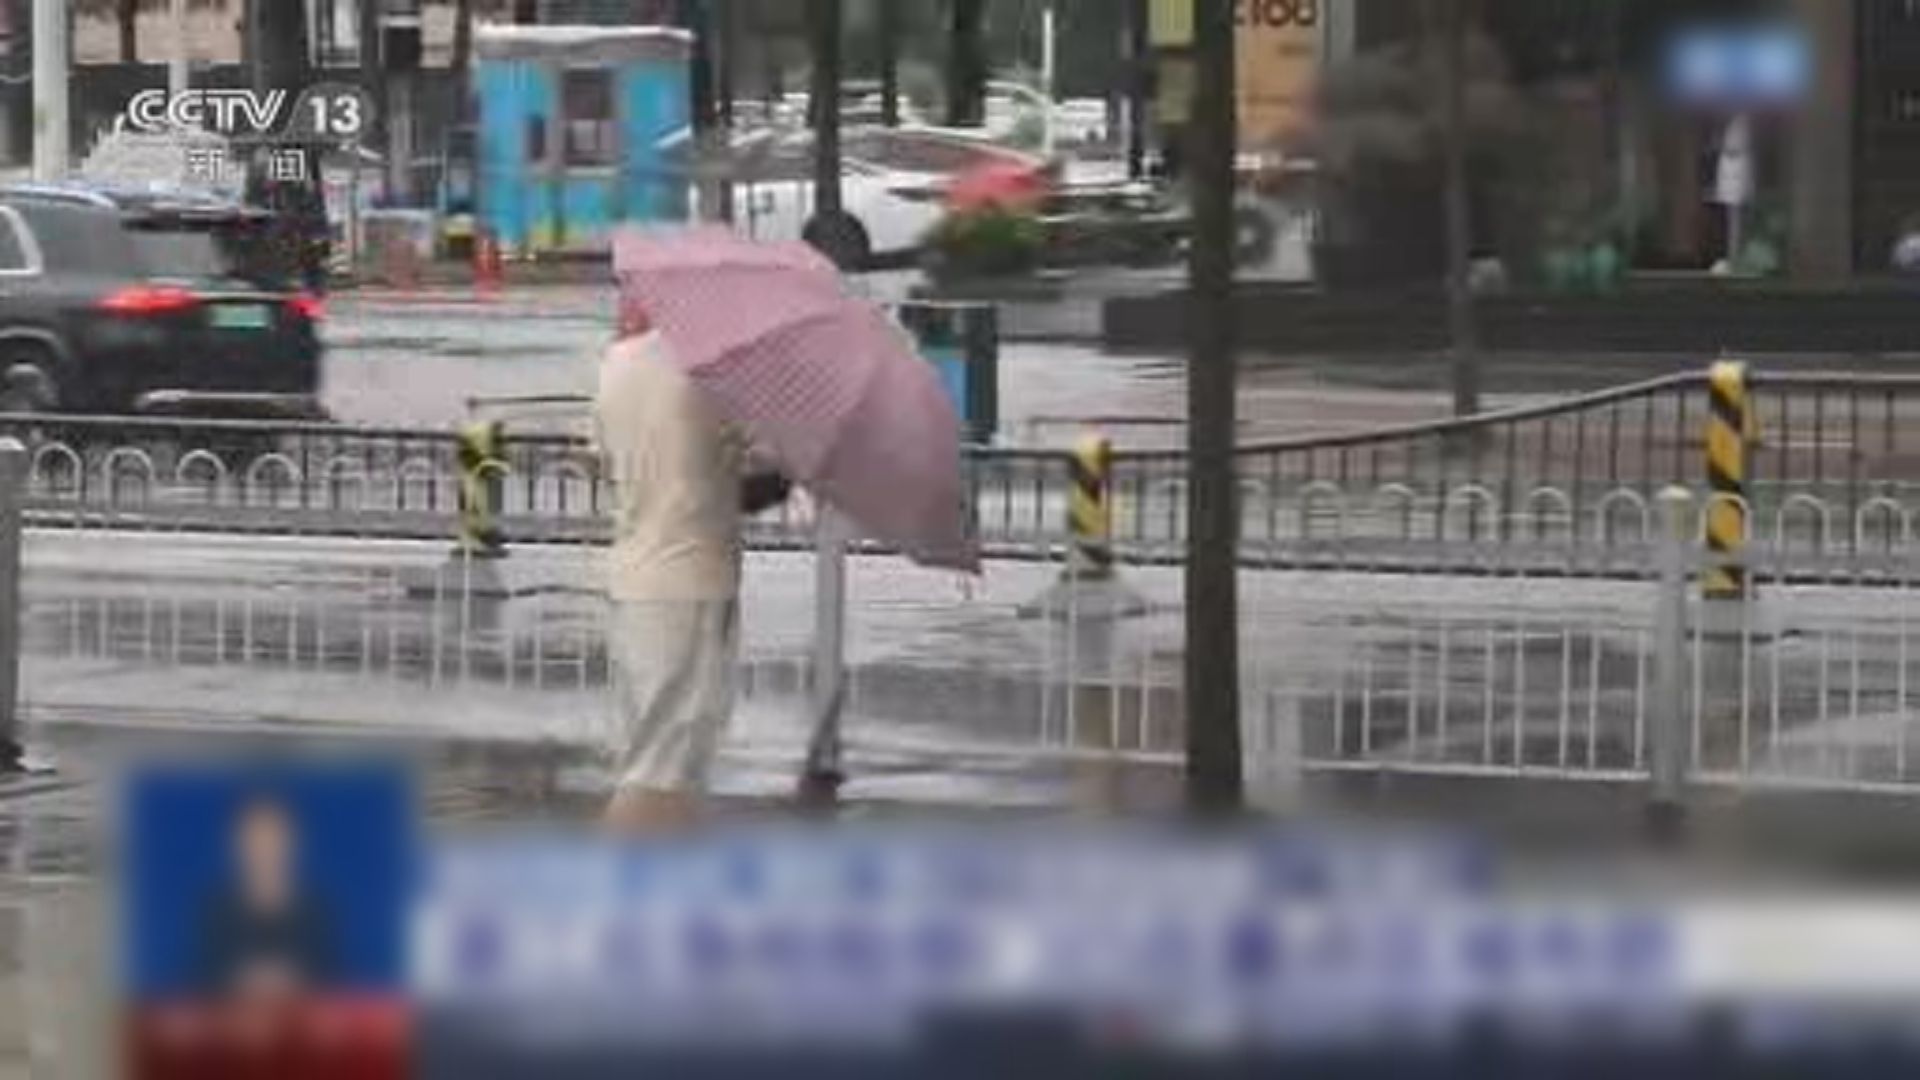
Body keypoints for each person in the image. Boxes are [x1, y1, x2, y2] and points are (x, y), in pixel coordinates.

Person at [595, 294, 782, 831]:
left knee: (665, 761)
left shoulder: (616, 364)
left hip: (636, 578)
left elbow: (607, 459)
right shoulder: (712, 374)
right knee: (659, 770)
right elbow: (761, 481)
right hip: (692, 584)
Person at [194, 794, 336, 999]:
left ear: (291, 842)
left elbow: (334, 989)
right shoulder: (215, 911)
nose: (264, 848)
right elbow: (199, 989)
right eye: (255, 838)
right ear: (238, 844)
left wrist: (295, 983)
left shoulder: (317, 911)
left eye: (273, 837)